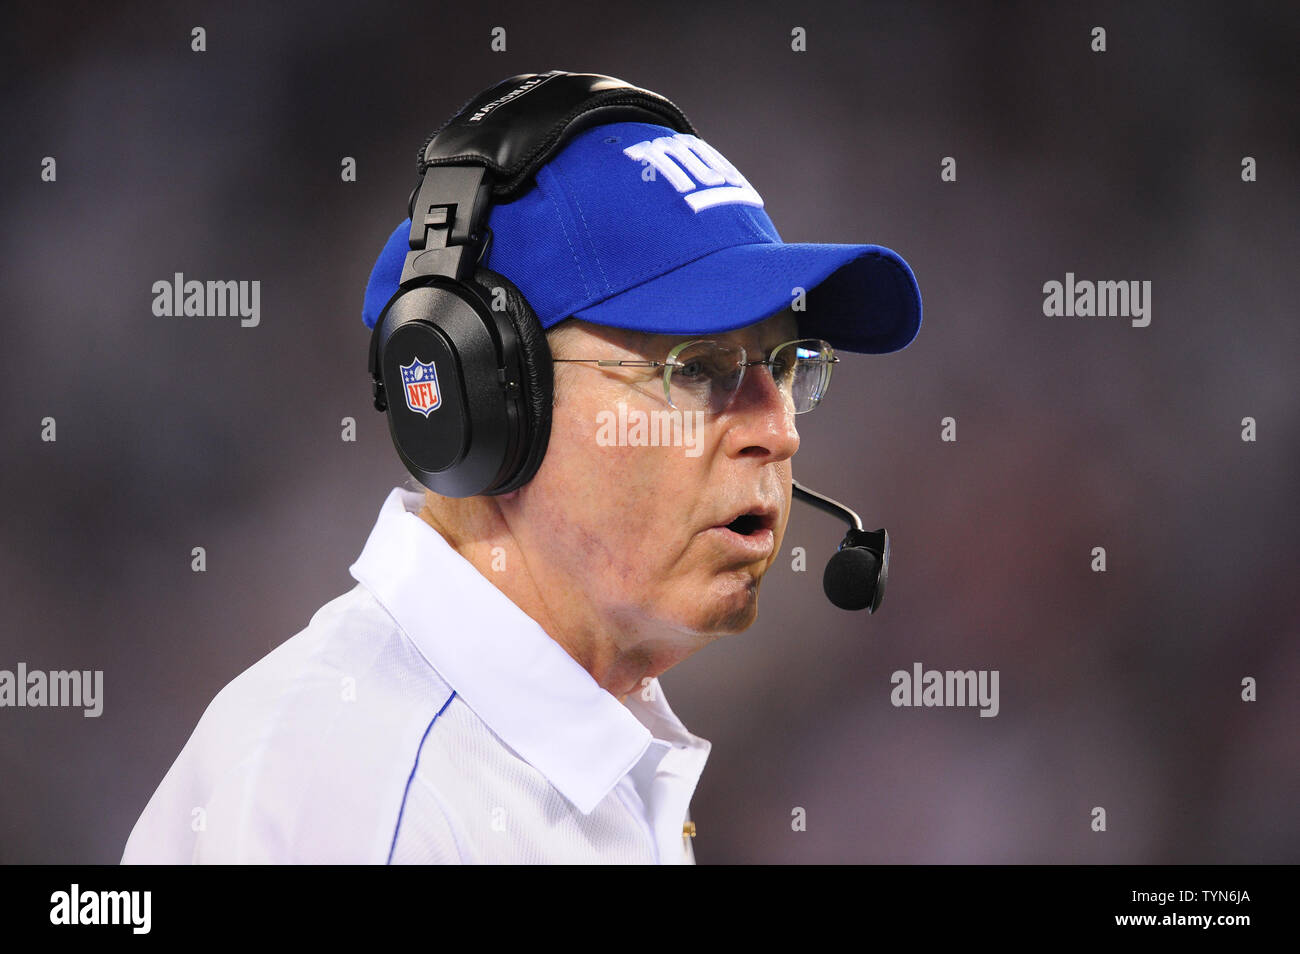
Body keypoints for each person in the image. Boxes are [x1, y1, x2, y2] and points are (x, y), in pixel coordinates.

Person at [121, 71, 920, 864]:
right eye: (701, 367)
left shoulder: (575, 745)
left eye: (785, 364)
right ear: (485, 397)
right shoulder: (356, 797)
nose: (779, 430)